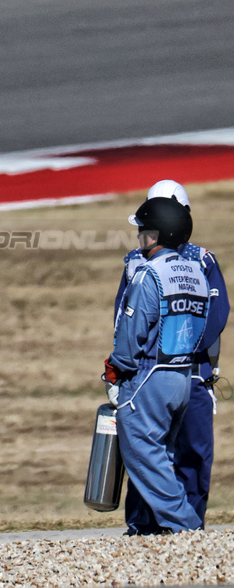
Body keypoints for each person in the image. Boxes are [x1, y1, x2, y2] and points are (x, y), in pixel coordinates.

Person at [114, 180, 227, 529]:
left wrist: (130, 363)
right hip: (172, 370)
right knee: (156, 455)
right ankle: (143, 525)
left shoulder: (197, 260)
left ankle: (187, 527)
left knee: (183, 454)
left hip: (174, 370)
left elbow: (216, 315)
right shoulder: (136, 262)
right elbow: (122, 313)